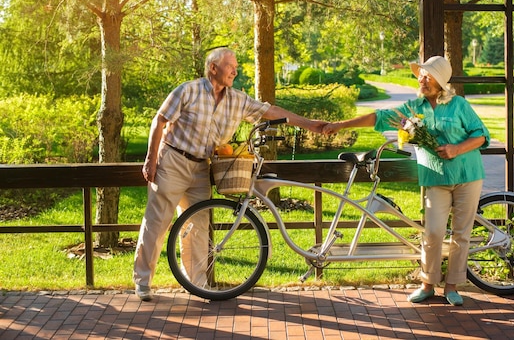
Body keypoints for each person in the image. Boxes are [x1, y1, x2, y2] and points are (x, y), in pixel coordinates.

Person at [134, 47, 327, 301]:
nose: (235, 70)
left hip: (203, 165)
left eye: (236, 66)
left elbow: (270, 111)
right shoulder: (188, 90)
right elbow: (159, 121)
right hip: (172, 160)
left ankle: (197, 284)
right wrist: (150, 159)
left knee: (199, 227)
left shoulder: (237, 99)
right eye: (230, 65)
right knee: (157, 222)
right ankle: (143, 282)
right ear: (213, 68)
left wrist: (309, 124)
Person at [322, 55, 490, 306]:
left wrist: (457, 149)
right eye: (421, 74)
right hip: (435, 177)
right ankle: (427, 284)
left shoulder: (459, 106)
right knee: (432, 232)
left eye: (427, 75)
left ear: (440, 81)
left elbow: (481, 135)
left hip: (468, 175)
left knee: (461, 234)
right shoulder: (414, 108)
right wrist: (340, 125)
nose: (421, 79)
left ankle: (452, 287)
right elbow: (378, 117)